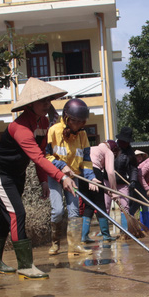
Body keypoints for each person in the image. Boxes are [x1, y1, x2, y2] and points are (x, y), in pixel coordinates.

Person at [0, 77, 77, 279]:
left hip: (17, 174)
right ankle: (25, 266)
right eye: (42, 100)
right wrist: (61, 177)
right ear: (30, 104)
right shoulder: (20, 128)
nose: (47, 104)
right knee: (17, 214)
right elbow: (35, 156)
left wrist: (43, 180)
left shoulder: (43, 122)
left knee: (6, 215)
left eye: (49, 100)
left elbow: (41, 154)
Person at [46, 98, 98, 255]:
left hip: (74, 176)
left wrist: (91, 177)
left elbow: (87, 161)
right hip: (55, 176)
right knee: (58, 211)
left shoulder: (82, 136)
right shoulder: (54, 131)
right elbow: (46, 155)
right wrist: (62, 166)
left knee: (75, 211)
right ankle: (55, 243)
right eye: (76, 121)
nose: (79, 125)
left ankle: (74, 247)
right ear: (67, 118)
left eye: (82, 122)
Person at [80, 139, 118, 243]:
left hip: (81, 174)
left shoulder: (93, 148)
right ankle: (106, 235)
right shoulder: (108, 151)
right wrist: (114, 191)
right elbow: (110, 172)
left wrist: (107, 191)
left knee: (89, 205)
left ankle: (84, 236)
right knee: (100, 204)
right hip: (94, 172)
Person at [113, 126, 139, 229]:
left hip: (122, 182)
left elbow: (133, 168)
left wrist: (133, 180)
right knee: (105, 206)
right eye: (124, 141)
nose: (126, 143)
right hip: (108, 181)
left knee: (125, 206)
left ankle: (125, 231)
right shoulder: (112, 147)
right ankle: (105, 233)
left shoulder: (130, 153)